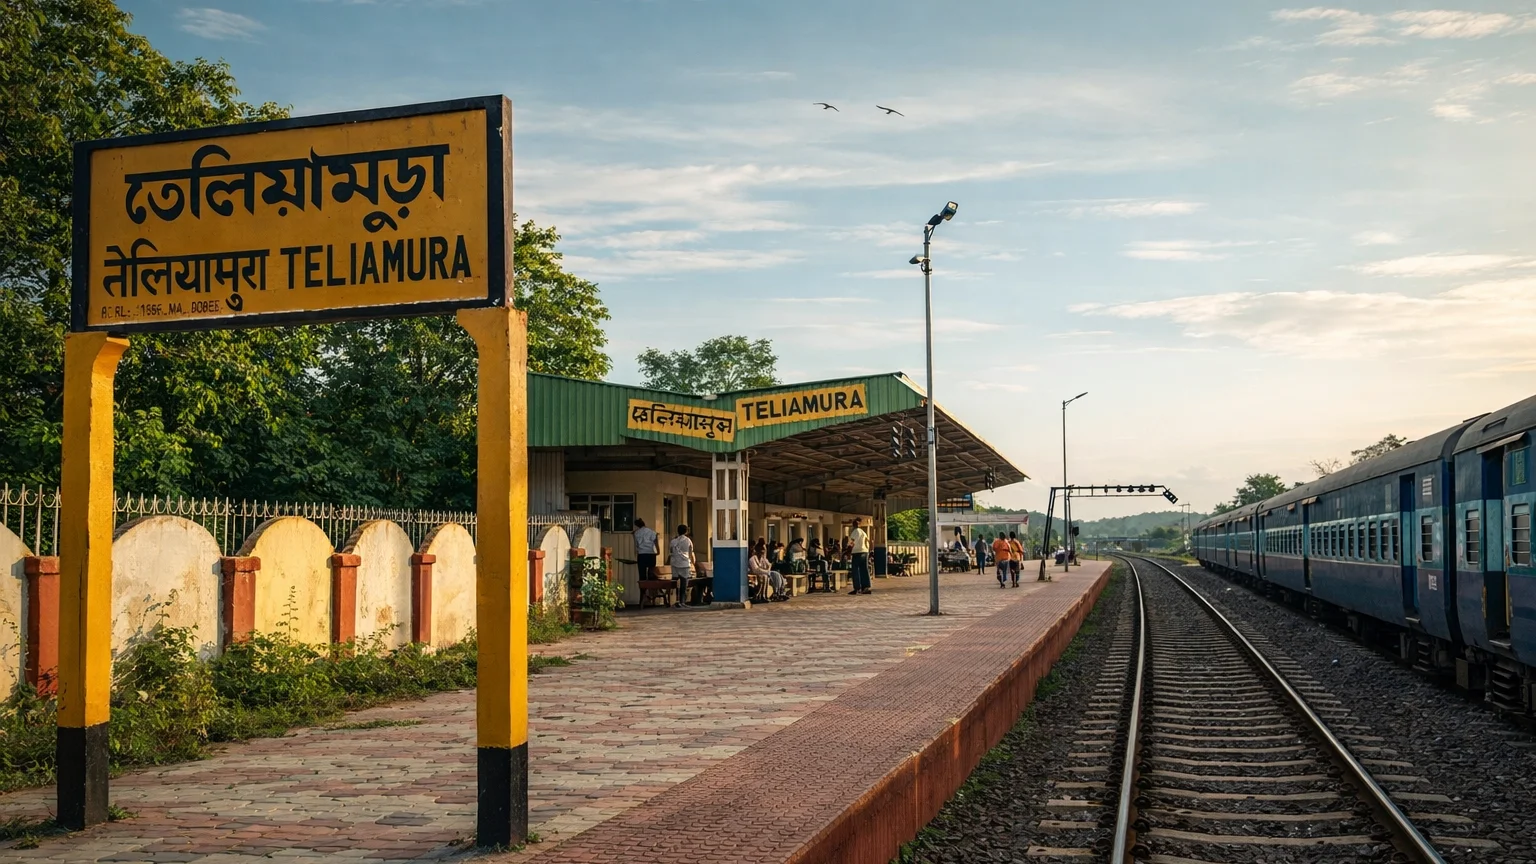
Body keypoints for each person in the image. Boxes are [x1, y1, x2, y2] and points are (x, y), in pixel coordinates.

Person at [669, 524, 695, 608]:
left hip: (675, 563)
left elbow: (671, 551)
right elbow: (691, 552)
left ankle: (674, 600)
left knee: (675, 582)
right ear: (686, 531)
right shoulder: (688, 540)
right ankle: (682, 601)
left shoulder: (673, 541)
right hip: (685, 563)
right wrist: (691, 561)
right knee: (684, 583)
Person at [848, 518, 871, 595]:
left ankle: (857, 588)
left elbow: (852, 543)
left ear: (854, 525)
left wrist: (847, 551)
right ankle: (866, 587)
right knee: (864, 570)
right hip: (865, 552)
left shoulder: (855, 531)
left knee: (855, 571)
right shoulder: (863, 532)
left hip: (857, 552)